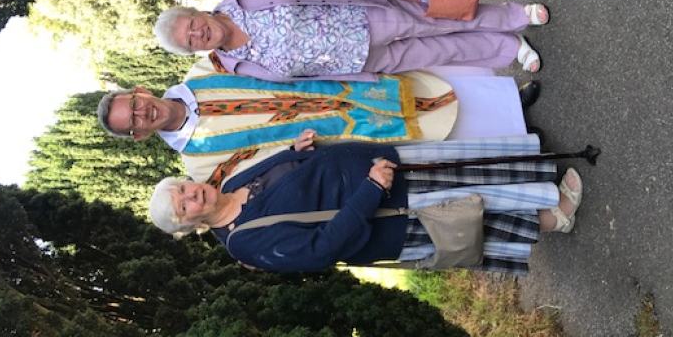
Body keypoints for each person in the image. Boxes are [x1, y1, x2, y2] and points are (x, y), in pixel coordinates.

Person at [148, 137, 584, 274]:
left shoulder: (233, 180)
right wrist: (370, 190)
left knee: (472, 179)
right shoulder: (243, 243)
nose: (191, 196)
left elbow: (288, 171)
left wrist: (295, 150)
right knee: (473, 218)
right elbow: (320, 249)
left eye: (182, 189)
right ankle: (555, 214)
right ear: (191, 225)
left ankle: (541, 180)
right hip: (386, 213)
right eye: (183, 207)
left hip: (381, 169)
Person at [96, 56, 459, 187]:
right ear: (140, 136)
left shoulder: (207, 68)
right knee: (449, 140)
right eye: (133, 123)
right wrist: (292, 153)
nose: (142, 114)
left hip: (342, 83)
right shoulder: (200, 165)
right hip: (343, 138)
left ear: (140, 91)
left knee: (444, 87)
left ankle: (513, 96)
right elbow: (264, 178)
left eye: (134, 105)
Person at [154, 0, 547, 77]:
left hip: (362, 18)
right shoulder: (236, 66)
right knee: (442, 53)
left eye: (191, 25)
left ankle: (515, 16)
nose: (198, 35)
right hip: (358, 61)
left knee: (440, 20)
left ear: (196, 11)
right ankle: (509, 47)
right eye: (190, 42)